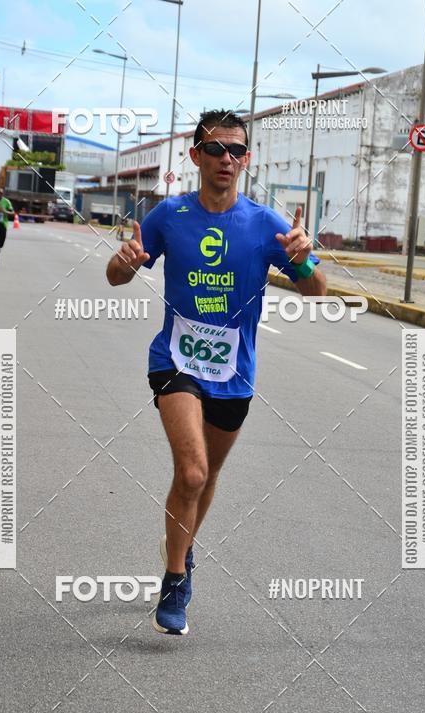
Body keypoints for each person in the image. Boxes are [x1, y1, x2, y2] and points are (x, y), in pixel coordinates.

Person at [106, 108, 326, 636]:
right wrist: (127, 260)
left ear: (246, 159)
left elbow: (317, 292)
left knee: (208, 477)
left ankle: (181, 546)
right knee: (193, 472)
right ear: (195, 156)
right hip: (175, 362)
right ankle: (176, 578)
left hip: (235, 373)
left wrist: (303, 257)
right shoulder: (168, 216)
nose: (226, 158)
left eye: (237, 151)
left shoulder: (265, 224)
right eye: (215, 149)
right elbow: (115, 276)